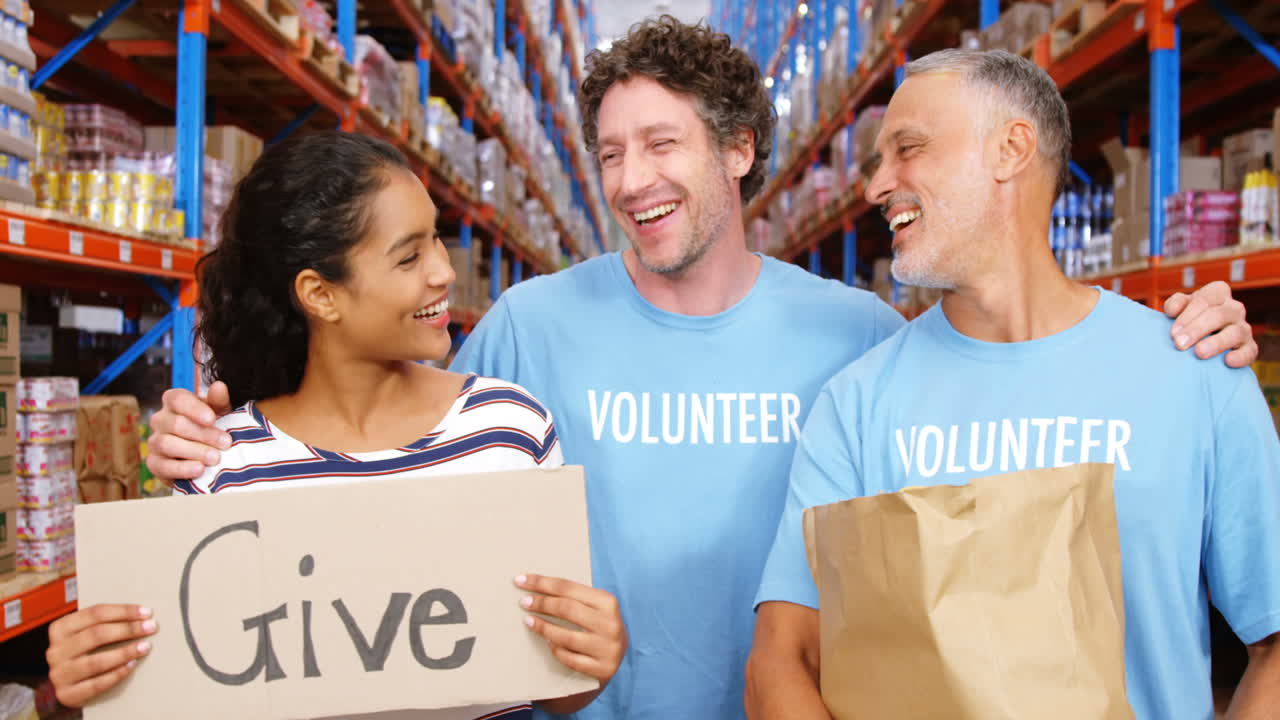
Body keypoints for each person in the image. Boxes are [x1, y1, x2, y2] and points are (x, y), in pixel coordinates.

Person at [143, 18, 1260, 720]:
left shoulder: (860, 339)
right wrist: (232, 434)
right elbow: (380, 449)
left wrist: (1179, 334)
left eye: (662, 143)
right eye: (611, 153)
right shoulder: (531, 324)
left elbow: (996, 380)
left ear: (735, 152)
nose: (631, 179)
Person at [746, 49, 1280, 719]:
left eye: (907, 149)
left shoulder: (1194, 369)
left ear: (1011, 149)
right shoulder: (856, 404)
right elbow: (781, 660)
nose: (877, 185)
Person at [44, 132, 627, 720]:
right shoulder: (224, 469)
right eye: (409, 256)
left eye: (437, 240)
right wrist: (93, 682)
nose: (444, 272)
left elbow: (559, 690)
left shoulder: (510, 428)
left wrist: (595, 655)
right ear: (320, 294)